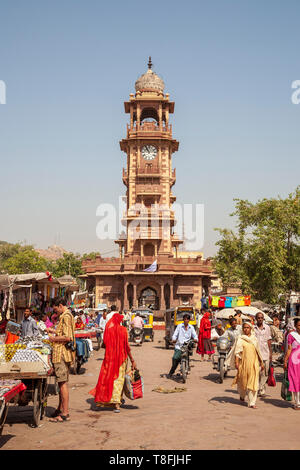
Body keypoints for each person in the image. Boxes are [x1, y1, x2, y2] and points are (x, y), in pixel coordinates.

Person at [89, 313, 137, 413]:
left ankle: (100, 401)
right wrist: (132, 360)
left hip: (109, 359)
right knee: (118, 380)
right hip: (121, 359)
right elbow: (127, 347)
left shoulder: (109, 331)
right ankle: (116, 404)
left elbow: (104, 344)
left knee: (106, 379)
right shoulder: (123, 330)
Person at [46, 297, 75, 423]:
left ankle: (65, 413)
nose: (55, 312)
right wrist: (52, 330)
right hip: (61, 353)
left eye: (56, 309)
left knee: (62, 384)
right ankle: (60, 409)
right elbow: (62, 332)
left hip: (62, 354)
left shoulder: (66, 316)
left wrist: (53, 339)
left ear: (61, 305)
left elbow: (68, 337)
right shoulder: (65, 316)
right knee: (61, 383)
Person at [230, 321, 264, 409]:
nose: (246, 329)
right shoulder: (240, 339)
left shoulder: (254, 339)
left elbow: (258, 351)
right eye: (244, 327)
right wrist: (237, 362)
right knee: (243, 381)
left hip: (254, 363)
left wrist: (261, 362)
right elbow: (238, 352)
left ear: (251, 329)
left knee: (253, 382)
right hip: (244, 363)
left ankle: (252, 402)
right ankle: (242, 395)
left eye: (247, 327)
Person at [254, 312, 272, 397]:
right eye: (258, 318)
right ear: (256, 318)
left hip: (265, 353)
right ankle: (257, 388)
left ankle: (262, 389)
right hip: (256, 354)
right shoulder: (253, 328)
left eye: (261, 318)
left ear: (263, 318)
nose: (260, 319)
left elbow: (269, 341)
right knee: (257, 372)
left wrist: (270, 353)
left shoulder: (267, 328)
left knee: (265, 373)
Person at [284, 318, 300, 409]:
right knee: (295, 381)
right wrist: (285, 361)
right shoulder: (291, 335)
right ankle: (297, 402)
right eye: (299, 325)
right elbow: (289, 349)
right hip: (294, 361)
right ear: (295, 326)